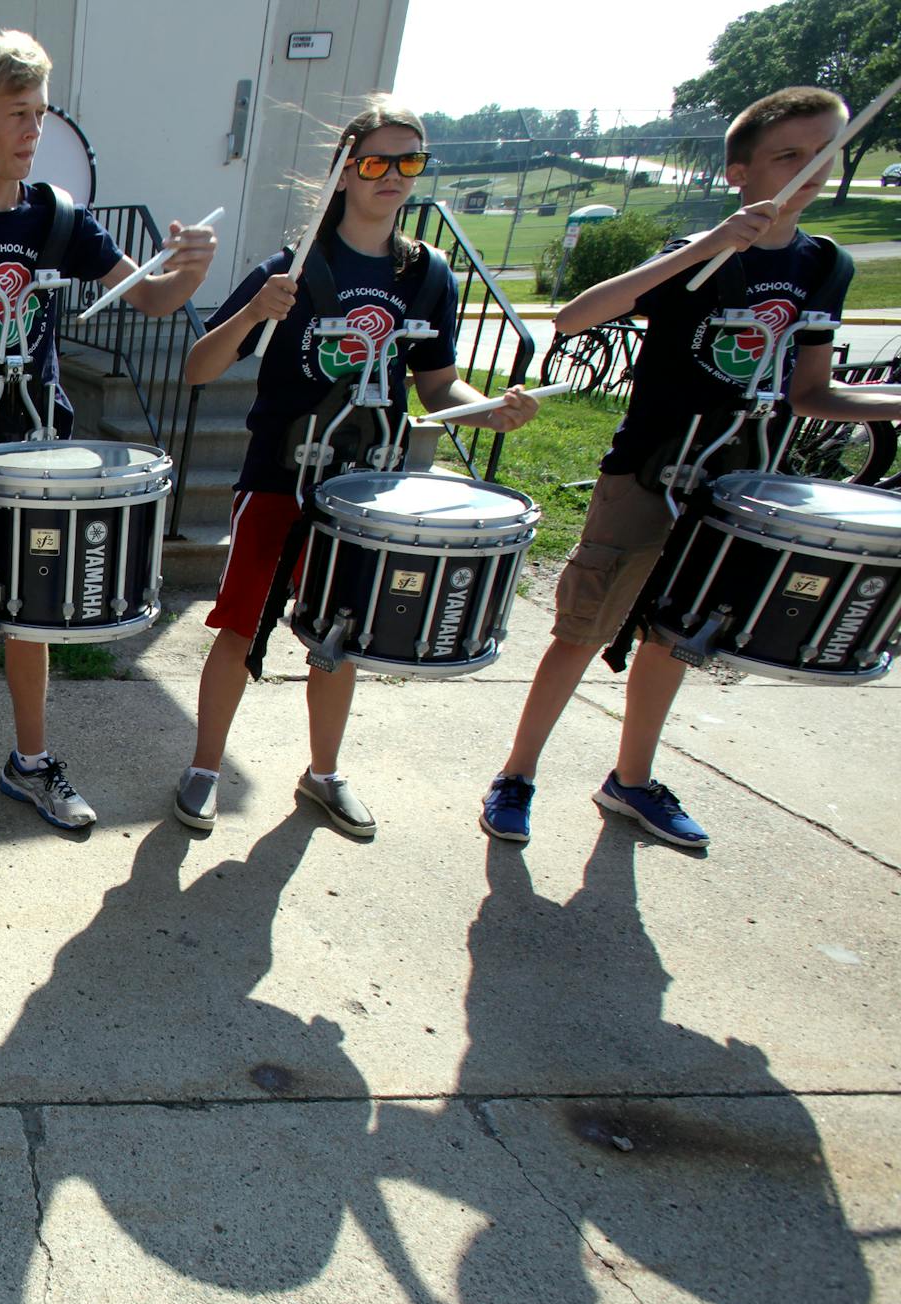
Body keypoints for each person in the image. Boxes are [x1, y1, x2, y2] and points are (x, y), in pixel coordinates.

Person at [481, 85, 896, 850]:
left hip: (740, 484)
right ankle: (516, 774)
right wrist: (707, 248)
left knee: (674, 633)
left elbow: (811, 392)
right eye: (788, 156)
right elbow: (572, 319)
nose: (808, 172)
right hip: (649, 472)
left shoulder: (824, 266)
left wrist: (893, 405)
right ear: (740, 172)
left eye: (823, 157)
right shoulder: (694, 262)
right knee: (583, 625)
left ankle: (630, 781)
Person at [0, 29, 214, 837]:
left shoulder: (59, 217)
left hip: (42, 462)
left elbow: (152, 299)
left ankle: (30, 764)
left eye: (41, 112)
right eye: (17, 114)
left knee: (36, 617)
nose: (34, 130)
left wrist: (188, 270)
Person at [174, 98, 538, 841]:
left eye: (411, 161)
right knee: (241, 625)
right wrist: (251, 315)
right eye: (377, 161)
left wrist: (487, 409)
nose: (394, 176)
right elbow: (197, 369)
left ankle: (323, 773)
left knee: (342, 634)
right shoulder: (293, 267)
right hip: (281, 476)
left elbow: (439, 386)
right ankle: (205, 768)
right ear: (344, 171)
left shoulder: (427, 275)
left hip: (369, 490)